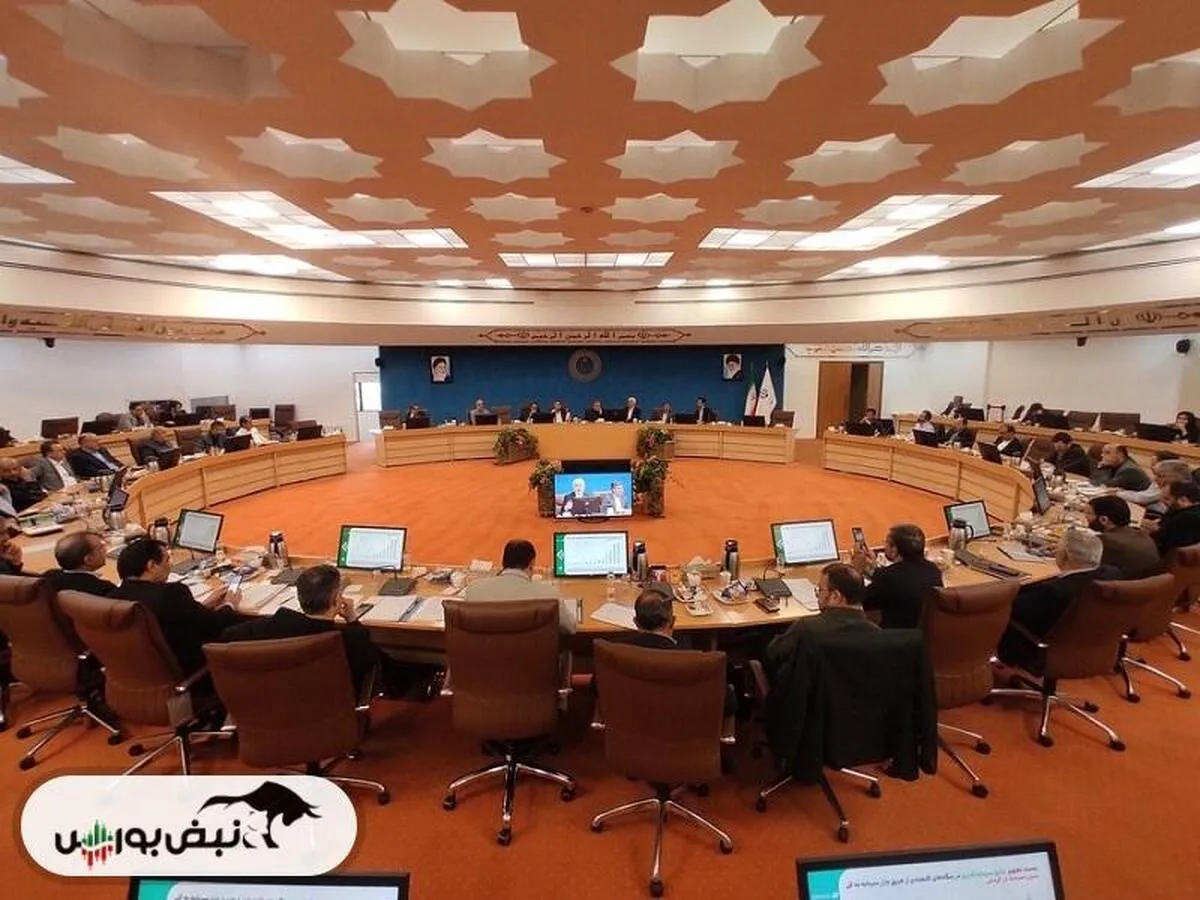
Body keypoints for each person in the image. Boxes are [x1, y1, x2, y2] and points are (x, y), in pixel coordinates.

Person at [221, 564, 379, 696]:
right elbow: (375, 663)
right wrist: (352, 620)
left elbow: (226, 636)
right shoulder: (351, 639)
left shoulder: (268, 627)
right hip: (331, 716)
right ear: (337, 599)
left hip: (270, 712)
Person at [109, 538, 241, 676]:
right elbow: (214, 626)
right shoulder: (171, 593)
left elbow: (176, 616)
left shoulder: (112, 598)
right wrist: (229, 604)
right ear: (152, 565)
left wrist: (202, 605)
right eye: (167, 560)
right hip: (193, 670)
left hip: (141, 674)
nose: (170, 565)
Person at [997, 529, 1120, 670]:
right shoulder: (1112, 575)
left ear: (1064, 556)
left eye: (1058, 549)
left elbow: (1011, 609)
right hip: (1089, 642)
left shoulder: (1053, 591)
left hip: (1036, 647)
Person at [764, 563, 877, 677]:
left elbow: (774, 653)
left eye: (820, 590)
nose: (817, 595)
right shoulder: (875, 633)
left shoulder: (807, 628)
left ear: (836, 596)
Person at [461, 539, 577, 634]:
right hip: (533, 655)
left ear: (503, 562)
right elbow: (570, 628)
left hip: (486, 654)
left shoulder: (474, 589)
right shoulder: (549, 595)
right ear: (532, 563)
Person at [853, 524, 943, 629]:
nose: (884, 546)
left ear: (894, 549)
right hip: (927, 634)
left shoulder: (888, 577)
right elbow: (902, 577)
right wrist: (874, 566)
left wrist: (855, 570)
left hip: (896, 636)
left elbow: (858, 601)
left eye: (886, 542)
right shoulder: (934, 570)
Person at [1086, 495, 1160, 579]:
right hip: (1149, 582)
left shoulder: (1106, 540)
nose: (1085, 517)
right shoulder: (1140, 532)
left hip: (1126, 584)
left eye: (1089, 514)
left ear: (1104, 520)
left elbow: (1083, 560)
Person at [40, 532, 117, 596]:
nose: (106, 550)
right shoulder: (103, 589)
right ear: (89, 560)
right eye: (101, 547)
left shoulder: (48, 577)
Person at [1144, 481, 1200, 555]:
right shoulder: (1182, 510)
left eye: (1167, 499)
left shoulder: (1187, 518)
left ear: (1183, 500)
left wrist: (1157, 531)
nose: (1162, 502)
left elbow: (1169, 548)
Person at [1115, 459, 1193, 512]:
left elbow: (1141, 499)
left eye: (1160, 476)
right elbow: (1144, 494)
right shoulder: (1160, 484)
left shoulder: (1176, 489)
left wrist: (1117, 493)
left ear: (1176, 476)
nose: (1154, 479)